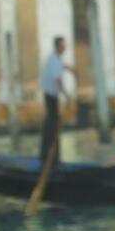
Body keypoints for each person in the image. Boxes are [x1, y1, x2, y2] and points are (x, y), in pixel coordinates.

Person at [38, 35, 73, 166]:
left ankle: (51, 157)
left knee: (52, 124)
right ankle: (51, 158)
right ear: (58, 46)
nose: (65, 47)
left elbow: (61, 66)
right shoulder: (54, 60)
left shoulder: (55, 58)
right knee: (52, 126)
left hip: (51, 95)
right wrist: (66, 95)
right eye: (63, 45)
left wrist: (70, 69)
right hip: (51, 97)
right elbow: (58, 80)